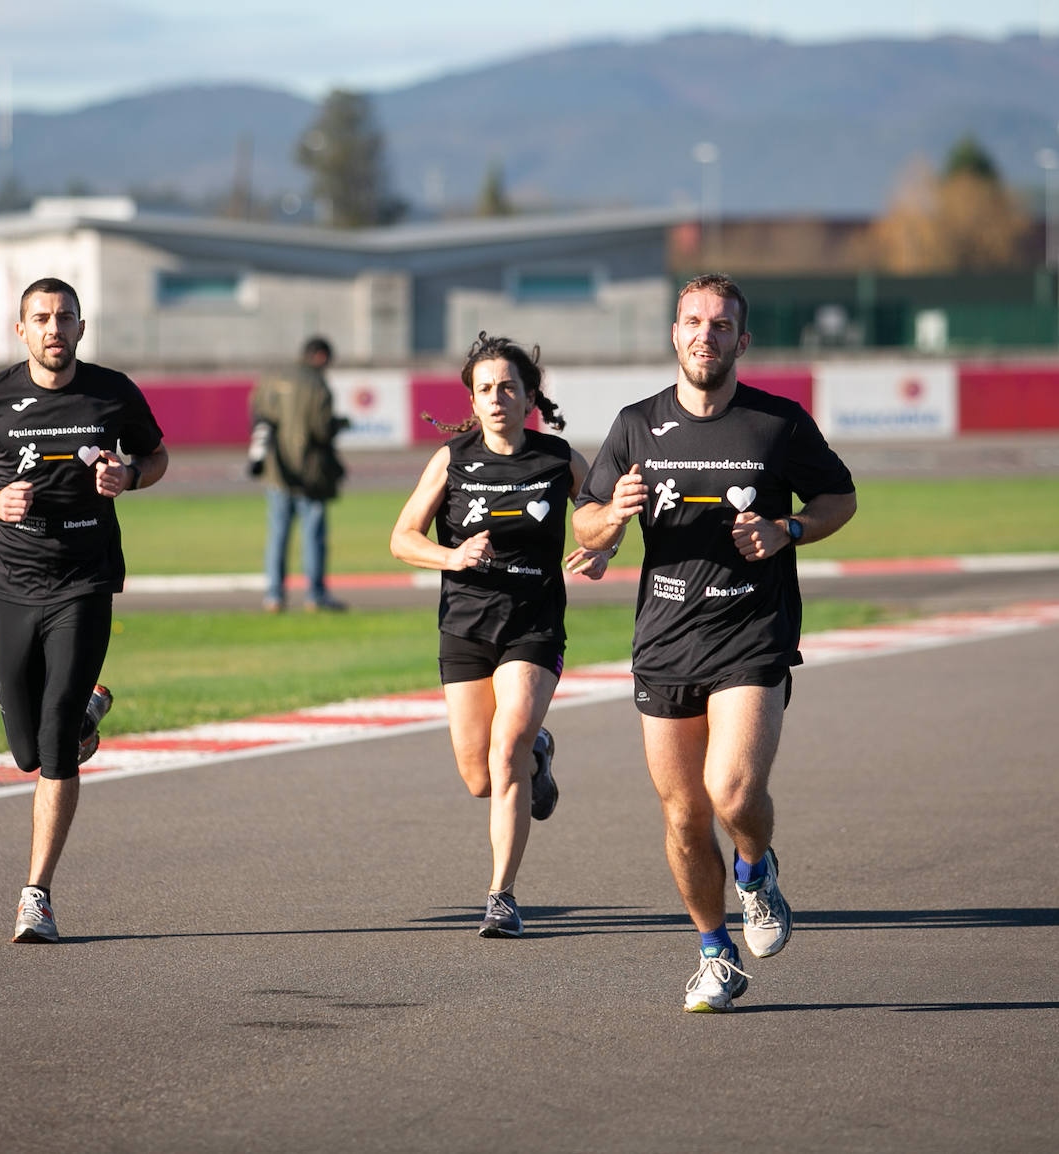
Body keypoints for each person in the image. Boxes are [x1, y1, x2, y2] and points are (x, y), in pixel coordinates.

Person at [572, 273, 857, 1010]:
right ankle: (714, 952)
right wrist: (612, 521)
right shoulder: (637, 425)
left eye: (722, 325)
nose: (706, 335)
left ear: (742, 340)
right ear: (675, 334)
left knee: (731, 789)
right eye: (694, 322)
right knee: (681, 816)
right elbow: (585, 522)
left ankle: (756, 873)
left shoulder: (778, 424)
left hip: (751, 635)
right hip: (665, 641)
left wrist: (787, 528)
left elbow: (838, 498)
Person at [0, 276, 168, 944]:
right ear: (21, 330)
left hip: (85, 580)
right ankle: (84, 715)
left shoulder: (112, 391)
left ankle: (36, 896)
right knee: (25, 752)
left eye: (65, 317)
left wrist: (129, 477)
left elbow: (155, 455)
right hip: (12, 581)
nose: (53, 328)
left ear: (81, 328)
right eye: (41, 318)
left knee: (56, 735)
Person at [390, 333, 612, 938]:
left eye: (508, 387)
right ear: (472, 397)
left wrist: (601, 551)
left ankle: (501, 896)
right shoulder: (451, 459)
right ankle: (541, 753)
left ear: (529, 395)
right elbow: (402, 537)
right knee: (479, 777)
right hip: (464, 626)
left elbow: (601, 517)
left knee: (507, 743)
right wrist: (453, 557)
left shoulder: (558, 457)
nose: (495, 398)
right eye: (484, 389)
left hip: (533, 625)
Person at [249, 336, 349, 612]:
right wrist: (339, 424)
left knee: (278, 534)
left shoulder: (272, 377)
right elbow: (321, 429)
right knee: (313, 535)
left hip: (277, 471)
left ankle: (274, 596)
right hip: (311, 472)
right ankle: (315, 596)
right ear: (319, 356)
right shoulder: (317, 384)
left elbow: (258, 416)